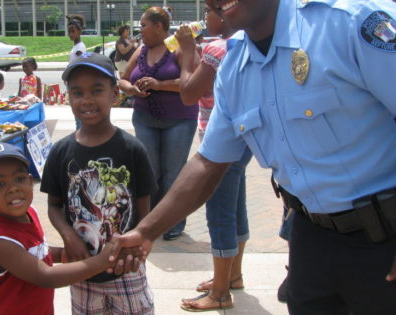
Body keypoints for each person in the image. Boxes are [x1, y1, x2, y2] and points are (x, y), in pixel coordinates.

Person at [111, 0, 396, 314]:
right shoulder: (234, 61)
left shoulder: (351, 23)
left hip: (391, 242)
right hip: (311, 241)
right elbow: (208, 162)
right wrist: (145, 231)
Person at [40, 53, 156, 314]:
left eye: (97, 90)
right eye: (78, 92)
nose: (87, 100)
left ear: (115, 94)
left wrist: (139, 246)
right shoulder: (60, 152)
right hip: (81, 269)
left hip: (125, 268)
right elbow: (54, 206)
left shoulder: (133, 149)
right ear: (69, 96)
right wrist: (69, 236)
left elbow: (144, 207)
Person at [0, 143, 118, 315]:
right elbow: (46, 276)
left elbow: (36, 252)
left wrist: (62, 254)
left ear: (30, 181)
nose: (13, 188)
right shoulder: (0, 242)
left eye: (19, 179)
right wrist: (103, 261)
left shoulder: (29, 212)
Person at [175, 7, 252, 311]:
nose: (204, 16)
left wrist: (184, 52)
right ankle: (233, 275)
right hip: (243, 139)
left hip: (220, 142)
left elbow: (189, 92)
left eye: (209, 10)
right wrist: (194, 49)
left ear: (225, 13)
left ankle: (220, 292)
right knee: (236, 205)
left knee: (220, 212)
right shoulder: (242, 42)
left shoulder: (219, 47)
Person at [119, 6, 199, 241]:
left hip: (179, 120)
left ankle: (173, 222)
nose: (140, 30)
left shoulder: (178, 47)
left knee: (173, 173)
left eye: (143, 25)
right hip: (145, 118)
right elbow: (122, 80)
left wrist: (159, 84)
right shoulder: (141, 50)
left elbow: (191, 81)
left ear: (158, 27)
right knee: (150, 171)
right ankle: (150, 221)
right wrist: (132, 90)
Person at [66, 14, 86, 130]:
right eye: (69, 32)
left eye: (73, 31)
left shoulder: (79, 48)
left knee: (78, 112)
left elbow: (80, 65)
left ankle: (81, 133)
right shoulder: (76, 47)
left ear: (79, 31)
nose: (71, 34)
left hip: (77, 83)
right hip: (73, 82)